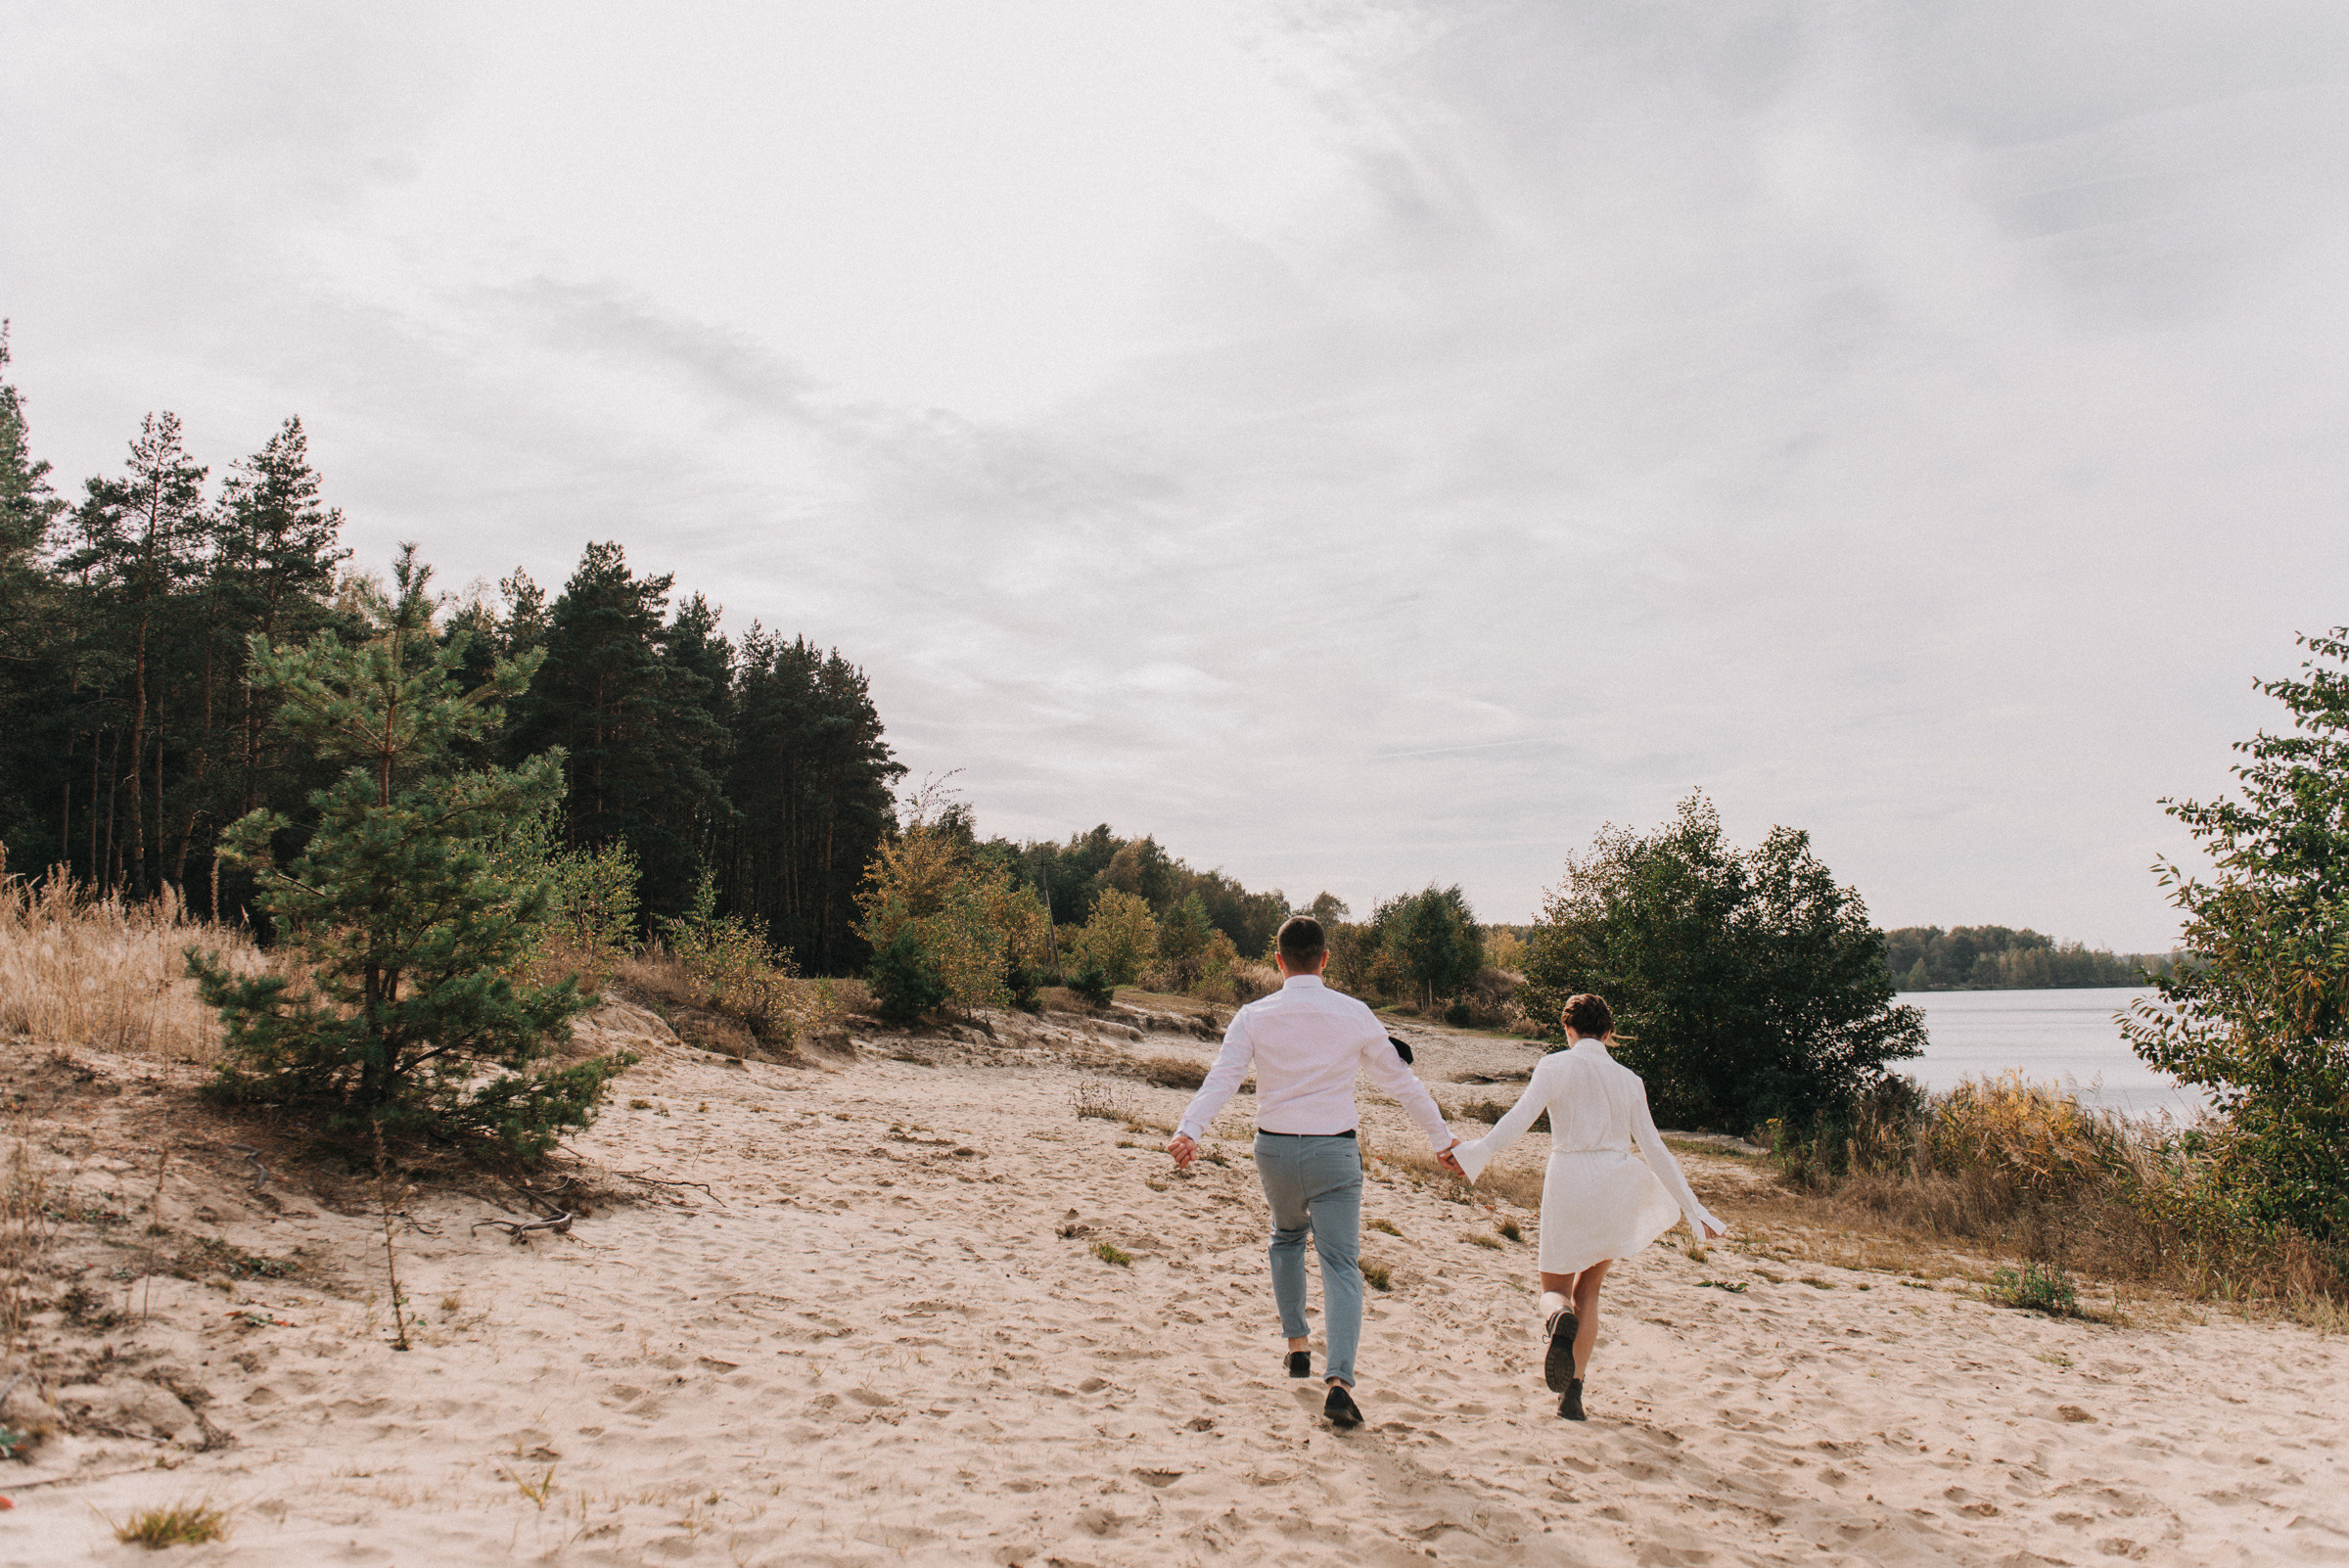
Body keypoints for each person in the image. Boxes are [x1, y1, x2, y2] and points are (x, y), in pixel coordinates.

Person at [1166, 915, 1464, 1429]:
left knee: (1285, 1238)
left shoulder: (1255, 1015)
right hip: (1334, 1153)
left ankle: (1298, 1346)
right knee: (1341, 1264)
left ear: (1277, 960)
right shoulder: (1354, 1013)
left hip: (1275, 1151)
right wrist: (1442, 1140)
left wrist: (1189, 1129)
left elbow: (1224, 1076)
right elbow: (1402, 1081)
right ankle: (1340, 1382)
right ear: (1325, 959)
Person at [1451, 992, 1726, 1421]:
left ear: (1568, 1029)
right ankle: (1573, 1392)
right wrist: (1694, 1210)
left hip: (1570, 1181)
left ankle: (1557, 1319)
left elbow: (1519, 1119)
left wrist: (1475, 1153)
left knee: (1554, 1291)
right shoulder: (1630, 1079)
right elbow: (1656, 1149)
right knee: (1589, 1292)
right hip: (1615, 1185)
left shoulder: (1556, 1065)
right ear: (1609, 1033)